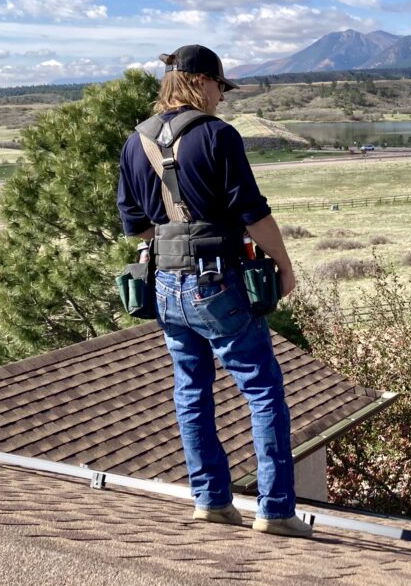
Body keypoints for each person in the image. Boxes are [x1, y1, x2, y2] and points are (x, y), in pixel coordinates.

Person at [117, 44, 311, 538]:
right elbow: (253, 213)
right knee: (263, 391)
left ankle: (212, 501)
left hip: (164, 285)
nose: (222, 98)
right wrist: (284, 266)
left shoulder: (134, 143)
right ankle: (275, 511)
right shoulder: (218, 135)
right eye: (221, 87)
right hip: (217, 282)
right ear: (201, 81)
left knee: (190, 391)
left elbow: (136, 228)